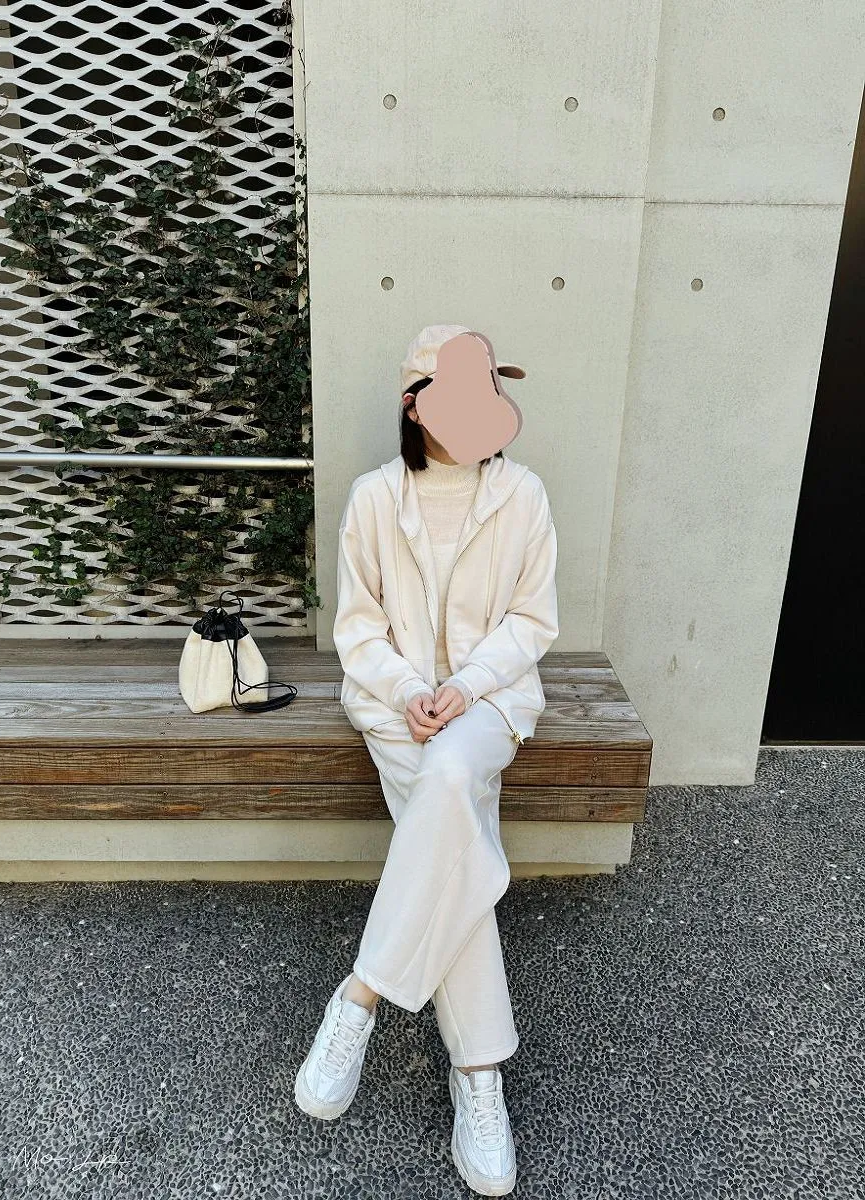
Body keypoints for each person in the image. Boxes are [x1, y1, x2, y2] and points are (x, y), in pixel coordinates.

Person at [294, 325, 560, 1196]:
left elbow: (532, 621)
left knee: (448, 783)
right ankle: (477, 1075)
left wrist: (466, 687)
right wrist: (411, 689)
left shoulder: (523, 495)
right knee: (456, 834)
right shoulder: (375, 498)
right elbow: (357, 628)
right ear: (416, 406)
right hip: (395, 707)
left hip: (488, 705)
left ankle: (361, 995)